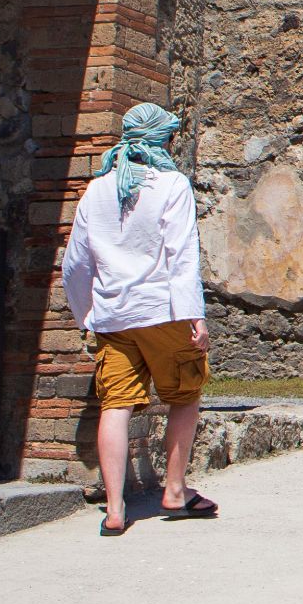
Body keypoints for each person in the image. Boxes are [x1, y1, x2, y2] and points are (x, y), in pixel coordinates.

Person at [59, 100, 217, 537]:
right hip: (163, 310)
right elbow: (181, 253)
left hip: (113, 317)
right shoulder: (172, 184)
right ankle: (175, 490)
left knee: (115, 404)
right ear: (162, 139)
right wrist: (194, 315)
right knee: (184, 396)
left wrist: (85, 314)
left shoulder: (97, 189)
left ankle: (114, 509)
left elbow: (74, 264)